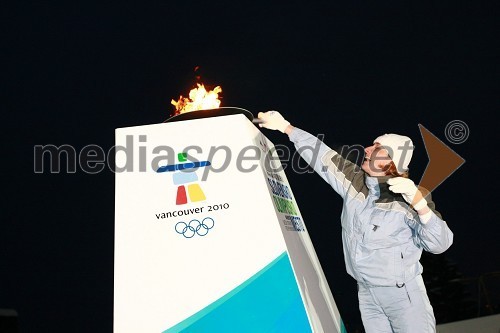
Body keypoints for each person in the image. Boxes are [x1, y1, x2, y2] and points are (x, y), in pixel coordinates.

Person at [257, 110, 453, 333]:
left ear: (391, 160)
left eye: (377, 148)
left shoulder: (410, 197)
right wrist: (286, 128)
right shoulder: (355, 181)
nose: (367, 149)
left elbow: (439, 244)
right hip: (367, 295)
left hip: (403, 297)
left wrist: (420, 205)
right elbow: (323, 156)